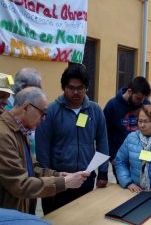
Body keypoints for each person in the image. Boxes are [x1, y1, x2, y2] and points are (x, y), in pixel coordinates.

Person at [0, 87, 90, 214]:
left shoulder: (19, 130)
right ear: (26, 107)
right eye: (42, 113)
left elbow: (32, 169)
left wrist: (59, 175)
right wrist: (65, 182)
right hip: (1, 215)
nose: (43, 119)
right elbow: (20, 185)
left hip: (16, 211)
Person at [36, 64, 109, 215]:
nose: (75, 92)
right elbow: (42, 147)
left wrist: (103, 172)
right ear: (63, 88)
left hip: (85, 179)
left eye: (80, 88)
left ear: (86, 88)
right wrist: (49, 180)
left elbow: (102, 141)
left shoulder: (95, 111)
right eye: (71, 87)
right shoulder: (51, 111)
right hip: (59, 181)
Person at [103, 76, 151, 182]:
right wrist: (111, 157)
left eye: (143, 99)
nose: (141, 102)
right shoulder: (112, 105)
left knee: (143, 188)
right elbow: (104, 134)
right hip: (120, 159)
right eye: (138, 98)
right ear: (130, 91)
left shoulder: (145, 104)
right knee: (125, 189)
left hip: (142, 158)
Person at [5, 68, 43, 156]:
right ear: (23, 87)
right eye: (37, 89)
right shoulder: (5, 107)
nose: (39, 93)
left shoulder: (32, 105)